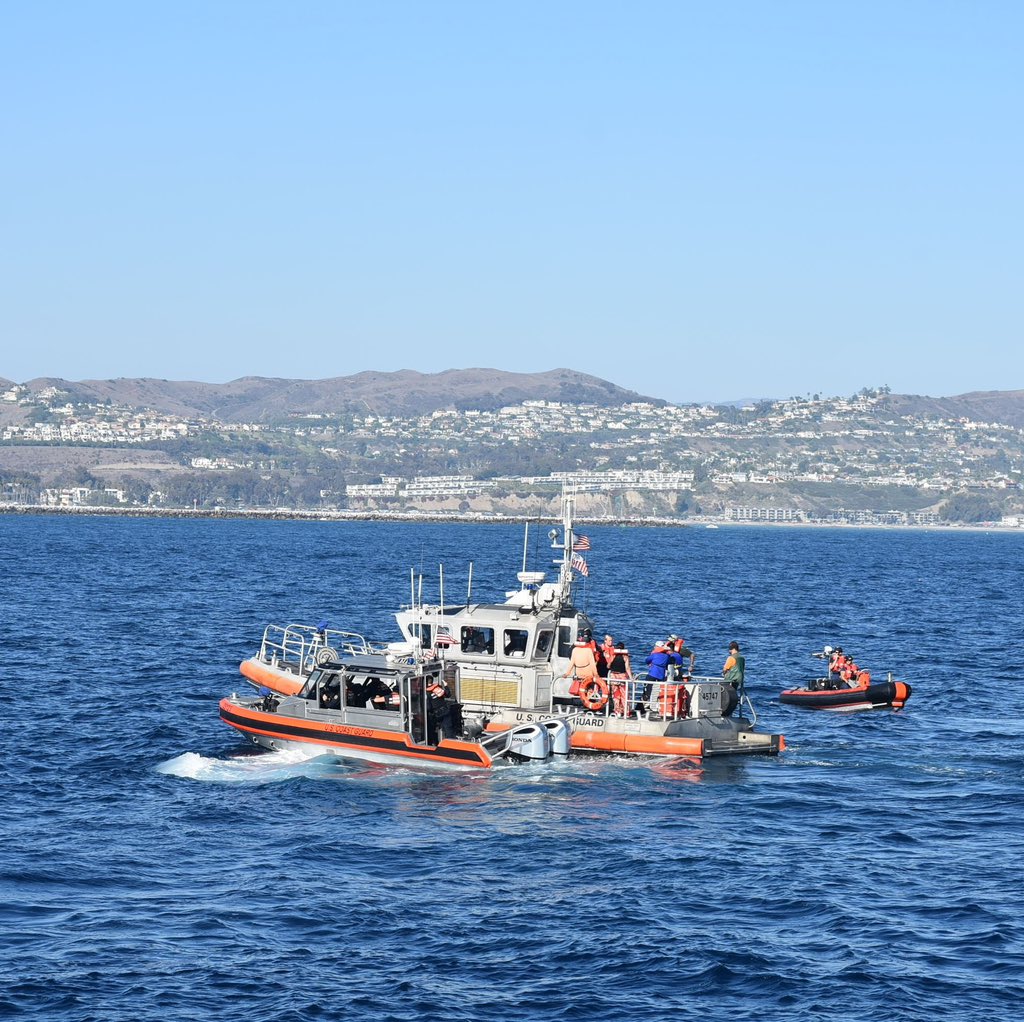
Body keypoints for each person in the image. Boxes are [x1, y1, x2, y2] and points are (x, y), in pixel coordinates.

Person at [643, 641, 683, 716]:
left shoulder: (654, 655)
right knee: (661, 689)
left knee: (647, 686)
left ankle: (647, 700)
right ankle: (658, 703)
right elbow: (668, 662)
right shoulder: (667, 656)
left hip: (653, 673)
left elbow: (647, 660)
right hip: (661, 674)